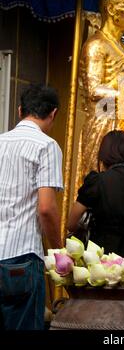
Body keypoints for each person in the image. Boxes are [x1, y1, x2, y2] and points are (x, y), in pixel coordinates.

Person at [0, 84, 63, 330]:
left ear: (19, 111)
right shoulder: (46, 146)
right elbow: (46, 208)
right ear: (53, 114)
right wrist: (59, 253)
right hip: (22, 259)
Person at [75, 0, 124, 193]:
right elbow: (94, 89)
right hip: (102, 121)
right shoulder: (96, 45)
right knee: (99, 180)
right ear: (111, 10)